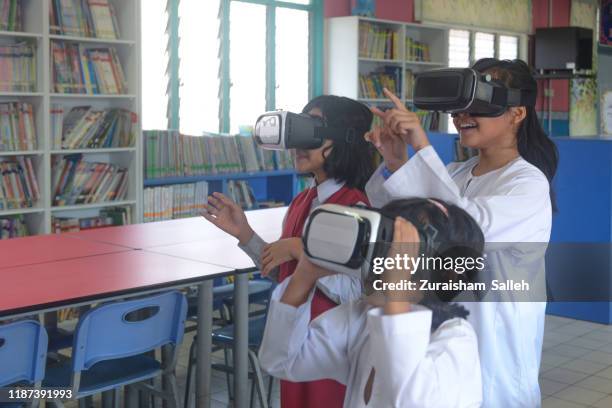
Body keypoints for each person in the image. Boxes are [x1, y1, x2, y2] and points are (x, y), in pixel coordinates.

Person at [364, 58, 558, 407]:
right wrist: (397, 161)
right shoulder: (455, 172)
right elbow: (402, 222)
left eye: (479, 104)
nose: (462, 115)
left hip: (496, 358)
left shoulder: (527, 184)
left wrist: (422, 150)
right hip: (441, 341)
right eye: (458, 107)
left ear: (517, 113)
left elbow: (462, 228)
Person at [203, 95, 376, 408]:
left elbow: (358, 294)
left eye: (311, 131)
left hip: (331, 356)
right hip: (293, 345)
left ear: (343, 140)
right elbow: (282, 273)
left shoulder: (358, 208)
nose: (298, 143)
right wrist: (245, 234)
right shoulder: (303, 202)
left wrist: (301, 252)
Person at [259, 198, 485, 408]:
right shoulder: (362, 318)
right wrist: (304, 275)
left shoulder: (456, 339)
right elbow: (281, 361)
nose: (383, 261)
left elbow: (411, 400)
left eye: (400, 248)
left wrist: (396, 291)